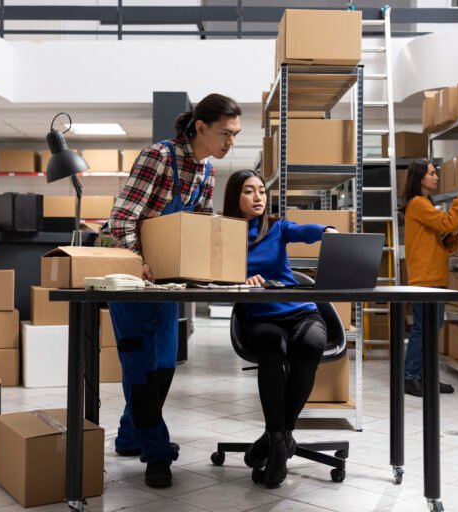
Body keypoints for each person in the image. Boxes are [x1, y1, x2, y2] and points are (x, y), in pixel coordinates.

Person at [107, 93, 242, 488]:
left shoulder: (206, 172)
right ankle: (157, 453)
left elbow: (195, 232)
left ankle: (129, 436)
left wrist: (209, 269)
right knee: (143, 370)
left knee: (161, 367)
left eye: (235, 134)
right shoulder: (159, 157)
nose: (230, 141)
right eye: (225, 133)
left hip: (167, 284)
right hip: (135, 281)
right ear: (201, 127)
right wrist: (138, 262)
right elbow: (121, 220)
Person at [222, 169, 339, 489]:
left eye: (261, 190)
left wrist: (326, 230)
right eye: (249, 191)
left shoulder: (276, 227)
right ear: (235, 197)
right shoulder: (222, 232)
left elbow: (304, 230)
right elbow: (212, 272)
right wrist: (237, 280)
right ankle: (280, 439)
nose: (258, 197)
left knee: (311, 345)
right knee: (271, 348)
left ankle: (277, 436)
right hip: (259, 317)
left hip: (300, 312)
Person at [401, 159, 458, 397]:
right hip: (425, 280)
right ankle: (411, 377)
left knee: (433, 327)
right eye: (432, 173)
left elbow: (444, 238)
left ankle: (426, 376)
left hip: (435, 277)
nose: (436, 177)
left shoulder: (426, 204)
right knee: (423, 329)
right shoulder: (418, 204)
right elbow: (447, 221)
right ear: (420, 178)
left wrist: (452, 235)